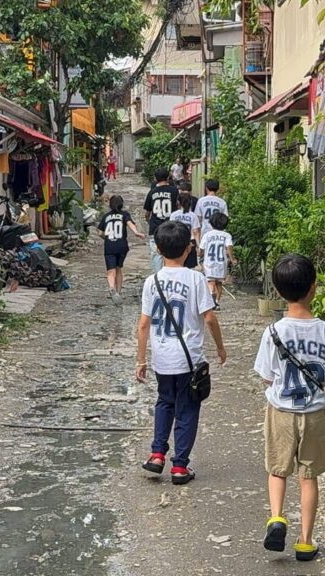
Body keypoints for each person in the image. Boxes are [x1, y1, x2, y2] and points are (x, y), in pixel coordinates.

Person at [253, 254, 325, 563]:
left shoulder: (273, 332)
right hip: (315, 413)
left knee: (278, 470)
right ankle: (305, 542)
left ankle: (277, 517)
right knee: (308, 476)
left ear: (278, 291)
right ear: (313, 287)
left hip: (281, 411)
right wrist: (324, 396)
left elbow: (267, 376)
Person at [136, 221, 227, 485]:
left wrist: (141, 360)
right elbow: (209, 318)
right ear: (188, 249)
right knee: (187, 409)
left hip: (162, 358)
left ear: (158, 248)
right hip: (189, 359)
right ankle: (180, 466)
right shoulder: (196, 279)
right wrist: (220, 347)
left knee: (165, 401)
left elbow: (144, 324)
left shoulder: (152, 281)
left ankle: (156, 454)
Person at [96, 195, 145, 303]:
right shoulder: (124, 214)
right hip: (122, 246)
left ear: (110, 204)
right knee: (118, 268)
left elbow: (99, 232)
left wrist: (105, 237)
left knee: (111, 270)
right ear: (121, 204)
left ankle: (111, 287)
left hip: (109, 246)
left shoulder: (106, 216)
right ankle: (118, 292)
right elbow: (130, 224)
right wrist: (136, 232)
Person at [143, 168, 178, 273]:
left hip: (155, 228)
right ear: (168, 178)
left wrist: (149, 221)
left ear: (155, 179)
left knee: (156, 253)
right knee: (171, 252)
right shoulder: (174, 191)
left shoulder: (152, 192)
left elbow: (147, 213)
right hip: (171, 227)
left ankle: (158, 275)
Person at [200, 212, 236, 309]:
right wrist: (232, 259)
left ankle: (212, 295)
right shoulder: (227, 235)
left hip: (209, 262)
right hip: (221, 263)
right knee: (219, 283)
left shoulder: (207, 235)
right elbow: (229, 247)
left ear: (211, 223)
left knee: (210, 282)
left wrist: (200, 254)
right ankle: (217, 302)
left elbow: (201, 248)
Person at [170, 192, 201, 270]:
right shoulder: (193, 216)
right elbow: (196, 232)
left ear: (178, 202)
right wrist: (198, 245)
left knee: (177, 263)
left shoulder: (174, 215)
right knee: (190, 266)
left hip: (177, 240)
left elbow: (171, 228)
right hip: (190, 242)